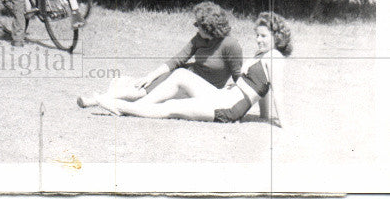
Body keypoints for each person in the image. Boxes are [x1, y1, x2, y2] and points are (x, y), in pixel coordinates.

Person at [79, 12, 291, 125]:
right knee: (180, 74)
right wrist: (263, 116)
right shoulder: (264, 56)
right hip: (222, 96)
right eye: (257, 35)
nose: (258, 40)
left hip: (228, 108)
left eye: (264, 36)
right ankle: (130, 104)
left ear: (278, 37)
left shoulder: (276, 58)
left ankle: (118, 105)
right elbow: (264, 88)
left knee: (171, 108)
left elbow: (278, 92)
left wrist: (284, 125)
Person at [78, 1, 242, 107]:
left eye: (198, 25)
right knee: (142, 87)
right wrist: (151, 76)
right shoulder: (200, 38)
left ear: (209, 27)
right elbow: (176, 60)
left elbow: (238, 77)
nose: (195, 27)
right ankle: (98, 100)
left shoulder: (230, 44)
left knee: (142, 95)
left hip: (200, 89)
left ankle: (100, 101)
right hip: (182, 76)